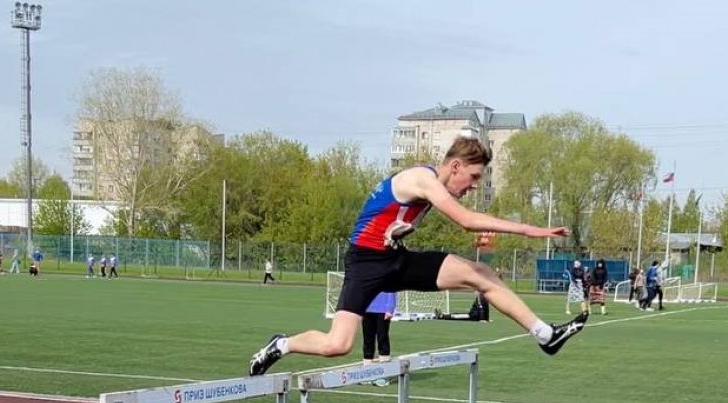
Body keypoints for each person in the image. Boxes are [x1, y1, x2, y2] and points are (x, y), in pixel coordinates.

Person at [248, 136, 587, 377]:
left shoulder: (430, 186)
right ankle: (282, 344)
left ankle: (545, 335)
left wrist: (397, 230)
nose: (472, 186)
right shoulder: (421, 179)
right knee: (337, 345)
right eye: (473, 178)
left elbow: (391, 217)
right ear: (455, 166)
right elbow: (466, 221)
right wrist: (529, 230)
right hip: (365, 264)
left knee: (480, 273)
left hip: (396, 261)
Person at [362, 291, 396, 386]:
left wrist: (390, 309)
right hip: (366, 310)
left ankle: (384, 375)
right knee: (368, 340)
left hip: (383, 310)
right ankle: (367, 373)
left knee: (382, 339)